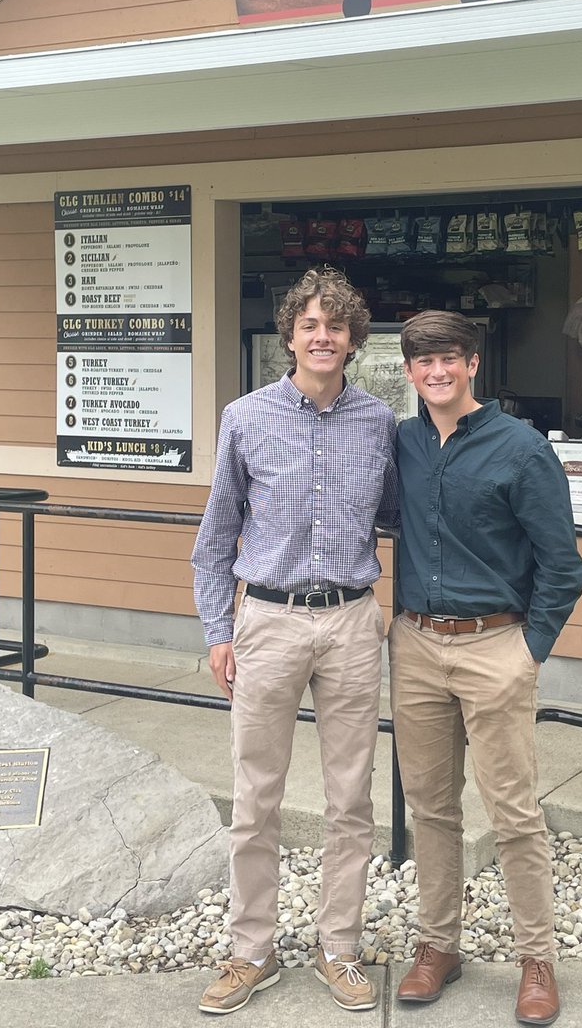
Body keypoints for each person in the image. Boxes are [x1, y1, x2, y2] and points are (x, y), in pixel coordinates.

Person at [192, 267, 398, 1016]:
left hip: (349, 621)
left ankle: (338, 947)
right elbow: (215, 536)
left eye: (335, 326)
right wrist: (220, 629)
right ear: (290, 335)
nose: (322, 337)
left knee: (351, 799)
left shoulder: (380, 422)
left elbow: (405, 520)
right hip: (268, 622)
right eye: (310, 325)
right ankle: (252, 949)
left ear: (352, 341)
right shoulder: (245, 417)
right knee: (256, 797)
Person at [390, 310, 582, 1027]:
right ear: (408, 372)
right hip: (414, 644)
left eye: (448, 358)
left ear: (473, 363)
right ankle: (439, 945)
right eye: (422, 362)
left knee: (513, 812)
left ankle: (538, 959)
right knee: (431, 810)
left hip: (494, 647)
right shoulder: (403, 442)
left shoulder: (521, 449)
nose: (436, 372)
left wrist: (528, 649)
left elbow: (563, 566)